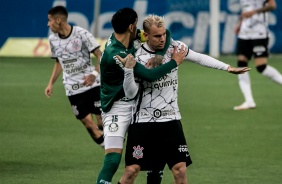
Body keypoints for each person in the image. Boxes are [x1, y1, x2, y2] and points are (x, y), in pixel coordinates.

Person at [118, 14, 250, 184]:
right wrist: (128, 71)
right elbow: (130, 94)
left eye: (164, 34)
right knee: (131, 171)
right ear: (146, 35)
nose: (162, 39)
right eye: (157, 36)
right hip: (143, 121)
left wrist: (227, 67)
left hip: (171, 120)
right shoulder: (137, 56)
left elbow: (200, 57)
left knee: (180, 170)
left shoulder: (175, 47)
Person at [96, 8, 187, 184]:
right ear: (131, 26)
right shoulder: (114, 53)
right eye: (136, 23)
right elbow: (149, 75)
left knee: (154, 157)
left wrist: (160, 55)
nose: (137, 28)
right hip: (117, 106)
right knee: (113, 160)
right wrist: (174, 62)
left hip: (139, 103)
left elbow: (164, 33)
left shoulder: (133, 35)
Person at [44, 6, 104, 147]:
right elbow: (59, 62)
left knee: (101, 121)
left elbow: (101, 56)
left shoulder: (82, 34)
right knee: (89, 125)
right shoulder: (52, 39)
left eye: (49, 20)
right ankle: (108, 150)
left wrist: (94, 75)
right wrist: (50, 83)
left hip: (93, 85)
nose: (48, 24)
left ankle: (111, 150)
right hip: (72, 88)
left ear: (58, 20)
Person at [233, 0, 282, 110]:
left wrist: (254, 12)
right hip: (244, 34)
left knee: (261, 67)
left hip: (259, 33)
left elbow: (272, 5)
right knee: (241, 64)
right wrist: (239, 23)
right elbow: (245, 10)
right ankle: (249, 101)